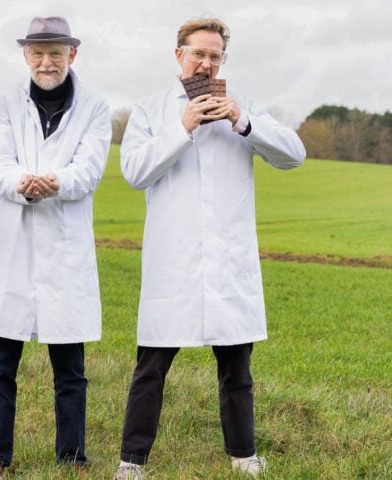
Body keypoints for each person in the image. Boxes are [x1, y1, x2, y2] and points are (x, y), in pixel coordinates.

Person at [112, 17, 306, 480]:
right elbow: (135, 172)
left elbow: (293, 154)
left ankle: (243, 456)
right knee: (151, 366)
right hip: (172, 261)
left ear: (222, 60)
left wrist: (242, 121)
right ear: (178, 55)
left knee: (237, 370)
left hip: (228, 260)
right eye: (198, 52)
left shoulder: (242, 107)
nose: (206, 61)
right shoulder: (152, 110)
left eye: (215, 55)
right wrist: (182, 127)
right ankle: (132, 461)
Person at [0, 16, 111, 480]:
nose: (47, 62)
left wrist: (56, 181)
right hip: (14, 244)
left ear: (73, 54)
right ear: (26, 55)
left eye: (56, 53)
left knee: (70, 368)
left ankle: (73, 458)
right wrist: (23, 184)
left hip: (65, 246)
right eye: (38, 53)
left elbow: (89, 169)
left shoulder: (96, 107)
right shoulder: (4, 103)